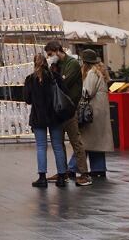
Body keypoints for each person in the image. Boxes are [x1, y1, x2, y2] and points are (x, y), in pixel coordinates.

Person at [46, 41, 89, 186]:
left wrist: (56, 76)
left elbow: (63, 83)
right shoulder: (56, 65)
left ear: (57, 50)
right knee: (58, 143)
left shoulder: (72, 63)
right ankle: (62, 172)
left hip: (70, 108)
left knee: (75, 141)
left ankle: (84, 173)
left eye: (50, 54)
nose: (49, 57)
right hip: (58, 109)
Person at [23, 53, 69, 187]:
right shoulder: (55, 77)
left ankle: (42, 178)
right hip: (55, 116)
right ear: (46, 62)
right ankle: (61, 177)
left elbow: (27, 99)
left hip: (38, 117)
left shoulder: (30, 79)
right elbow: (65, 93)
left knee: (41, 147)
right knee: (58, 146)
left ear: (34, 64)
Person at [77, 50, 112, 179]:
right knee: (97, 142)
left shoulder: (92, 73)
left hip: (92, 111)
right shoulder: (100, 71)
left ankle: (73, 167)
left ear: (85, 62)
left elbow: (87, 91)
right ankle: (98, 168)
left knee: (84, 140)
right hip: (99, 110)